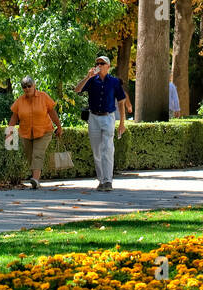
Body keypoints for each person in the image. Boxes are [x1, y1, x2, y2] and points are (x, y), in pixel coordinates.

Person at [75, 55, 128, 191]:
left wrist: (122, 123)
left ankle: (108, 180)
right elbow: (77, 89)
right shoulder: (92, 81)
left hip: (108, 117)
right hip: (93, 118)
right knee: (97, 151)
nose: (99, 65)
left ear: (108, 66)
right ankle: (101, 180)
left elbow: (121, 103)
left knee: (108, 149)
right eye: (97, 63)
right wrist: (88, 77)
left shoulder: (114, 82)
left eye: (102, 63)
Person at [8, 76, 63, 189]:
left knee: (37, 154)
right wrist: (9, 132)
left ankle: (35, 180)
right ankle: (36, 178)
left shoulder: (43, 97)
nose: (27, 88)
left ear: (34, 86)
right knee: (30, 156)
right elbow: (14, 117)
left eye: (29, 86)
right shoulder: (20, 101)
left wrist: (59, 126)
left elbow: (52, 112)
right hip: (26, 132)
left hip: (44, 131)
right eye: (24, 87)